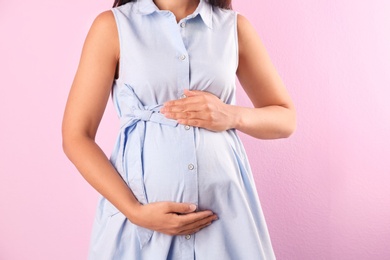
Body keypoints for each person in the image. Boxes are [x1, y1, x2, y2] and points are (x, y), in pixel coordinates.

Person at [62, 0, 296, 258]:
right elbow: (76, 136)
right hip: (141, 225)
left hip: (226, 219)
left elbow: (285, 120)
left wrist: (230, 114)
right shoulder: (112, 26)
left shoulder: (233, 27)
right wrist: (135, 212)